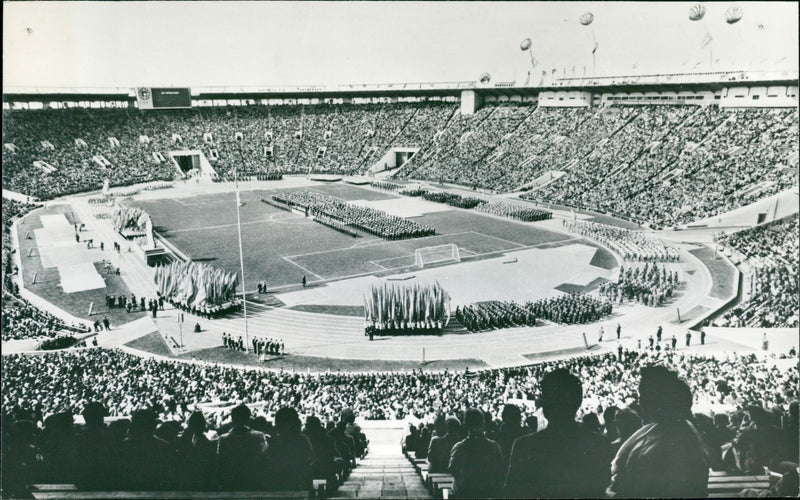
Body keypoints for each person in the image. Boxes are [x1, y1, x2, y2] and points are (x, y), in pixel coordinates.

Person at [505, 369, 612, 499]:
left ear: (547, 404)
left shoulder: (524, 446)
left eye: (545, 397)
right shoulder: (600, 444)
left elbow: (512, 494)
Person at [607, 366, 709, 498]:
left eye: (643, 397)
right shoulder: (657, 428)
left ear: (658, 402)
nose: (639, 402)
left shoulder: (676, 440)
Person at [448, 408, 504, 499]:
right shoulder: (494, 446)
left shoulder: (459, 447)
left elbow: (452, 469)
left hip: (464, 492)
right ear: (483, 423)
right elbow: (499, 469)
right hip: (487, 492)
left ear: (465, 425)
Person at [217, 404, 269, 490]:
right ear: (248, 419)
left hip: (230, 482)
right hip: (254, 482)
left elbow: (221, 462)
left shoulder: (223, 439)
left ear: (232, 420)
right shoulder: (259, 436)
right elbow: (264, 458)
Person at [267, 407, 312, 491]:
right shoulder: (302, 440)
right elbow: (308, 460)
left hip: (278, 484)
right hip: (297, 482)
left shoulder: (274, 441)